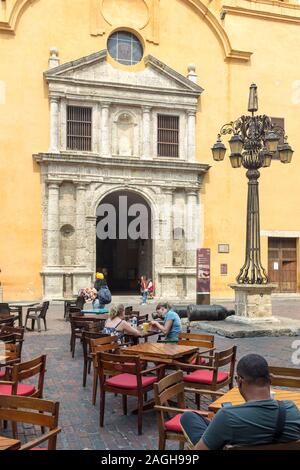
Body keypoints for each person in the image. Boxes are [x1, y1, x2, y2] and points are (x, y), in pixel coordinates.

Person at [180, 354, 300, 450]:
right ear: (271, 379)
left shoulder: (227, 416)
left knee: (188, 417)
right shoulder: (291, 409)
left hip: (228, 427)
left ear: (239, 381)